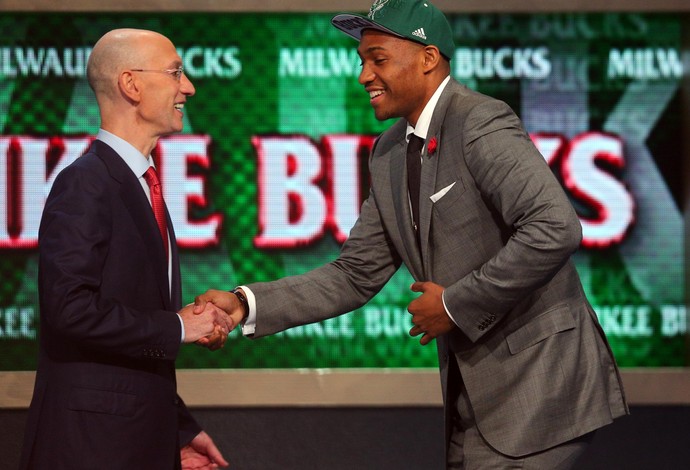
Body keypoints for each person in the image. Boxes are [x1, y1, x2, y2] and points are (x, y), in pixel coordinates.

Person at [196, 1, 628, 468]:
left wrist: (452, 305)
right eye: (362, 61)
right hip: (476, 404)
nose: (364, 76)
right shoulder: (387, 152)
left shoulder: (479, 121)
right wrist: (244, 303)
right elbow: (355, 274)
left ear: (428, 58)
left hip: (543, 389)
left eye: (378, 59)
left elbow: (554, 228)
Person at [19, 29, 231, 470]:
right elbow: (69, 309)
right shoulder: (85, 182)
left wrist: (178, 428)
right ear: (131, 84)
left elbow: (128, 338)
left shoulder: (141, 186)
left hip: (133, 439)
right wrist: (176, 327)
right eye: (175, 72)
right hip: (90, 448)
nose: (188, 87)